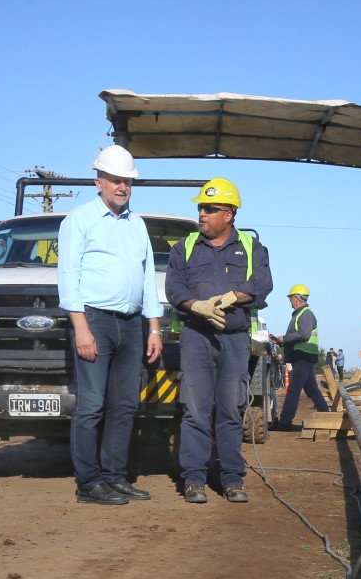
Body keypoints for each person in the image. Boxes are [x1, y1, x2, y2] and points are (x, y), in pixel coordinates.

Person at [56, 145, 163, 506]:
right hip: (95, 321)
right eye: (115, 180)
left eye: (127, 181)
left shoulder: (137, 224)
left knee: (125, 405)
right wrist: (81, 328)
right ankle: (88, 483)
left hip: (131, 325)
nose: (122, 186)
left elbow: (147, 278)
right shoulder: (79, 220)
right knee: (91, 406)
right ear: (98, 182)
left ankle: (115, 477)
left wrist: (153, 328)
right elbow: (68, 276)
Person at [165, 178, 272, 504]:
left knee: (230, 409)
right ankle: (194, 480)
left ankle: (232, 479)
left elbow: (262, 283)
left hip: (234, 340)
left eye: (210, 209)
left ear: (228, 214)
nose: (202, 213)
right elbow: (174, 286)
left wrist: (234, 296)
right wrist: (195, 305)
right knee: (195, 410)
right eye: (201, 207)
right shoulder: (184, 247)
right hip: (196, 338)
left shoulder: (252, 248)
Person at [268, 284, 331, 431]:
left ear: (297, 299)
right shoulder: (300, 314)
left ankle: (285, 422)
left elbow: (304, 334)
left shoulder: (305, 314)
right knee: (312, 390)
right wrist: (280, 341)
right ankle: (327, 416)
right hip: (304, 357)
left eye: (291, 298)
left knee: (293, 390)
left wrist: (283, 339)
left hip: (304, 357)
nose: (290, 301)